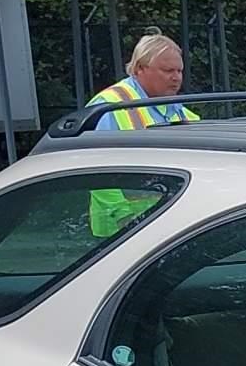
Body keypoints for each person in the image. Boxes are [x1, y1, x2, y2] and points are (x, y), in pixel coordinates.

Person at [84, 32, 197, 236]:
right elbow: (94, 168)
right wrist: (124, 217)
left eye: (180, 70)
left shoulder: (177, 109)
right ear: (139, 69)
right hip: (120, 230)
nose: (176, 77)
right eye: (167, 70)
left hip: (163, 221)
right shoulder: (110, 107)